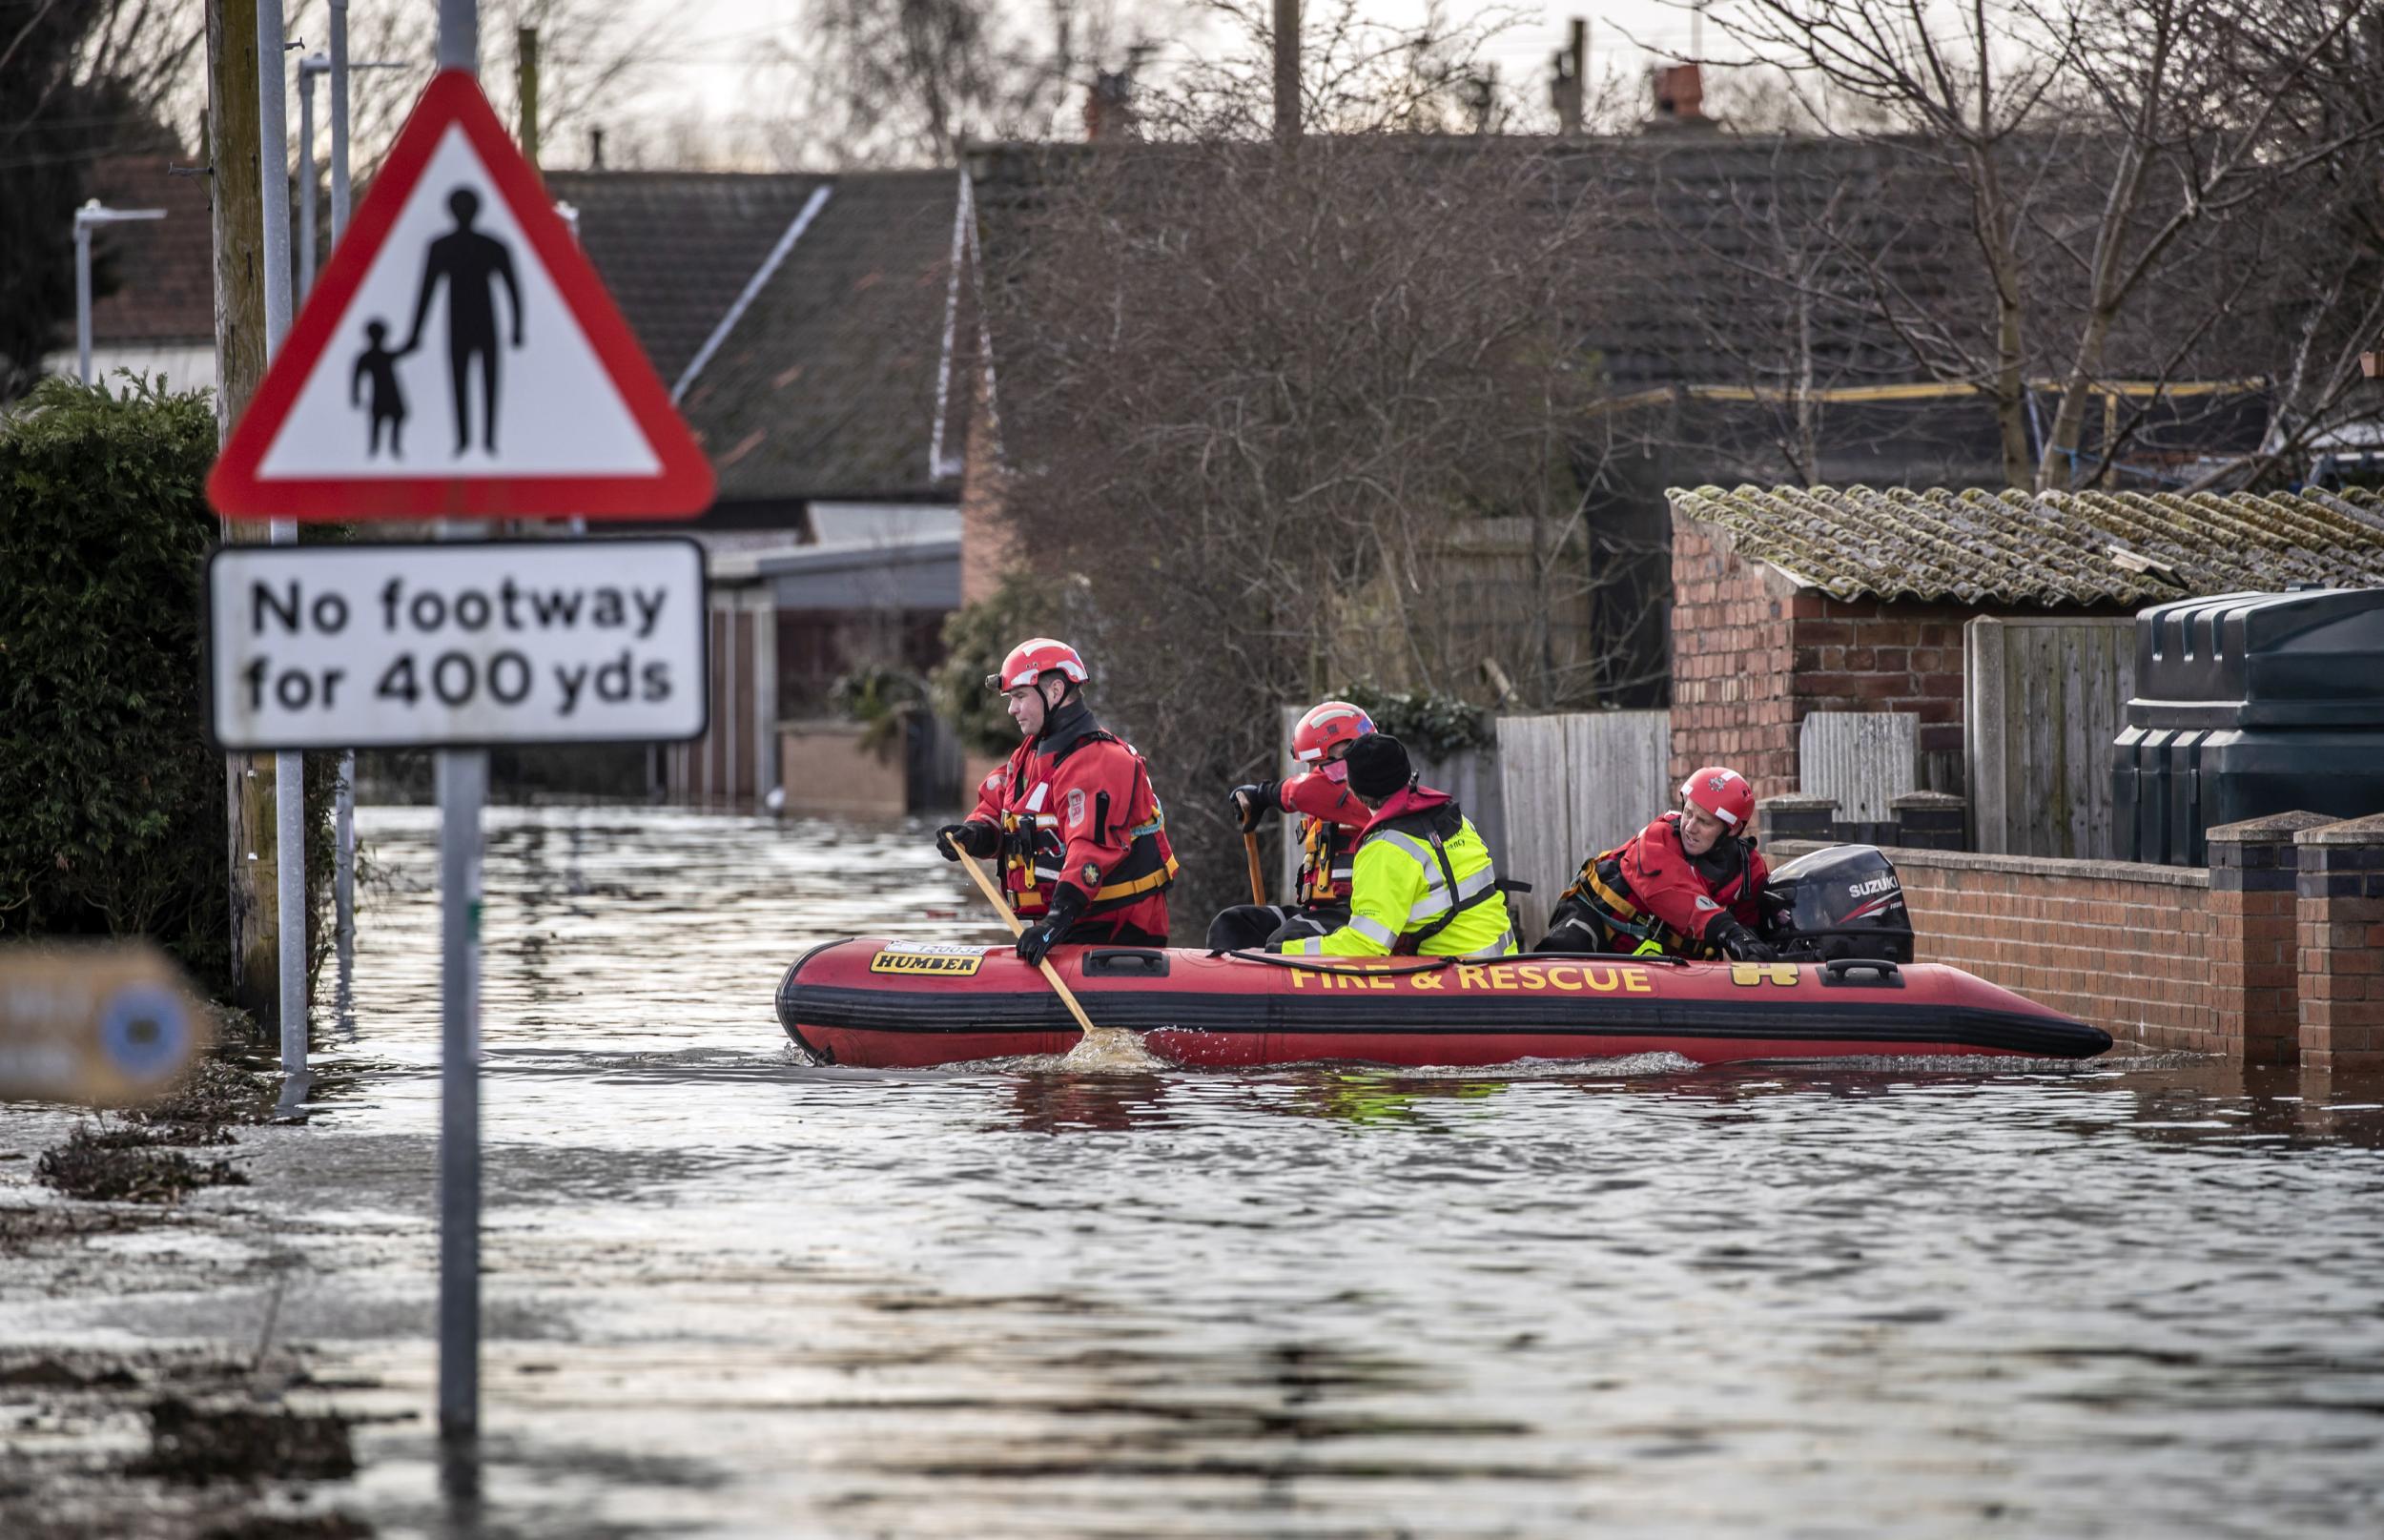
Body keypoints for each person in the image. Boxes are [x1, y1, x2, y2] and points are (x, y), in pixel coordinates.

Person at [936, 638, 1178, 963]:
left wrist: (1056, 920)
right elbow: (998, 806)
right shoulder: (1030, 755)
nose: (1012, 709)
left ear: (1054, 692)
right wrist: (975, 835)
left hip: (1115, 930)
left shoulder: (1100, 761)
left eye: (1019, 696)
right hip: (1069, 928)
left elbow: (1090, 849)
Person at [1273, 732, 1517, 959]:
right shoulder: (1453, 818)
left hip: (1458, 978)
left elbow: (1366, 945)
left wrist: (1279, 952)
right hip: (1504, 963)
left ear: (1353, 789)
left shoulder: (1385, 850)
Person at [1536, 766, 1777, 961]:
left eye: (1704, 822)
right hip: (1597, 918)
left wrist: (1754, 948)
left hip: (1655, 950)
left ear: (1732, 829)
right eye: (1688, 813)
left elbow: (1750, 926)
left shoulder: (1749, 870)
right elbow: (1672, 892)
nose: (1690, 827)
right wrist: (1727, 929)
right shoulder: (1659, 836)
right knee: (1564, 958)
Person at [1206, 699, 1375, 953]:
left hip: (1357, 917)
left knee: (1288, 938)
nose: (1312, 772)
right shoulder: (1333, 797)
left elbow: (1306, 791)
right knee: (1232, 924)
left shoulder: (1369, 793)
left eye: (1317, 763)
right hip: (1322, 913)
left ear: (1348, 749)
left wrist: (1262, 795)